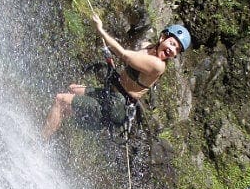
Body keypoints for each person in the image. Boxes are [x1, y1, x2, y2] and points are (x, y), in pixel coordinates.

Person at [42, 14, 191, 140]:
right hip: (113, 94)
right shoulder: (148, 47)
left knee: (60, 100)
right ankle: (55, 129)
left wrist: (101, 31)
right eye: (172, 43)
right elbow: (131, 63)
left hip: (117, 106)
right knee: (73, 89)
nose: (172, 50)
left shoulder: (158, 65)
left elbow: (125, 55)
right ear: (163, 37)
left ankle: (41, 142)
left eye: (177, 49)